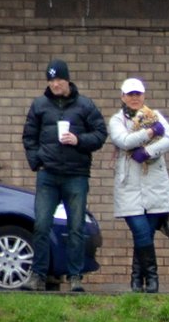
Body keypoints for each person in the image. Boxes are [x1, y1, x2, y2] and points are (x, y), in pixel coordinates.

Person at [21, 58, 106, 292]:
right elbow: (29, 137)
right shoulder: (39, 105)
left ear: (67, 79)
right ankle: (38, 275)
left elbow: (100, 134)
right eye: (51, 80)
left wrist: (79, 140)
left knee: (76, 227)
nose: (55, 84)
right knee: (41, 225)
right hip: (48, 175)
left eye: (58, 79)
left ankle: (75, 277)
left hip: (76, 175)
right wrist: (37, 162)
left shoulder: (85, 105)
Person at [107, 76, 169, 294]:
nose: (134, 98)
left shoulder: (155, 116)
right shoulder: (117, 120)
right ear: (123, 97)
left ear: (144, 95)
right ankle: (152, 278)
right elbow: (124, 141)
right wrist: (151, 132)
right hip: (129, 185)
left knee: (146, 235)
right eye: (130, 94)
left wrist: (148, 151)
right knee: (141, 231)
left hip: (155, 185)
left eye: (138, 94)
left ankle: (137, 279)